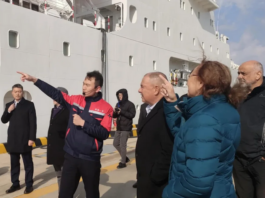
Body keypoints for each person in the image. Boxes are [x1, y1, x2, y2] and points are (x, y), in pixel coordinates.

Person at [160, 60, 250, 198]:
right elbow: (188, 138)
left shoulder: (205, 119)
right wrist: (172, 103)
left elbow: (197, 181)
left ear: (201, 83)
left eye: (191, 75)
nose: (188, 80)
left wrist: (168, 193)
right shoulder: (226, 110)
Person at [17, 71, 113, 198]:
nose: (84, 87)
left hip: (90, 159)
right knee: (64, 194)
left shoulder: (106, 108)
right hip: (70, 157)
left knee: (92, 193)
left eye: (88, 85)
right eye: (83, 83)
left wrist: (83, 123)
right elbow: (55, 93)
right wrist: (34, 80)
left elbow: (104, 133)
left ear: (98, 88)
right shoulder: (75, 100)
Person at [136, 72, 174, 198]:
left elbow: (169, 148)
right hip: (144, 179)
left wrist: (155, 176)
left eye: (142, 86)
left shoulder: (167, 112)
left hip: (157, 184)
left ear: (156, 89)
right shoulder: (144, 109)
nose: (139, 90)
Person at [233, 61, 265, 198]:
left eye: (243, 73)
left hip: (260, 160)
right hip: (239, 159)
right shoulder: (237, 94)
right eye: (238, 73)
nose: (239, 77)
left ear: (258, 74)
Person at [1, 84, 37, 194]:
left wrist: (31, 138)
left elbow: (33, 123)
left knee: (28, 164)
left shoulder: (29, 105)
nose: (18, 93)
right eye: (15, 91)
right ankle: (15, 184)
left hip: (25, 139)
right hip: (13, 139)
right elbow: (3, 120)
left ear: (22, 92)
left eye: (20, 91)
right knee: (14, 164)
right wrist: (9, 111)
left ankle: (29, 184)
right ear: (12, 93)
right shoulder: (9, 105)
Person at [47, 87, 69, 192]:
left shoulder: (68, 111)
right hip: (54, 147)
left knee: (65, 176)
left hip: (64, 148)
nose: (53, 97)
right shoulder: (53, 110)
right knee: (59, 175)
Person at [113, 89, 136, 168]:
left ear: (124, 95)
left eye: (121, 95)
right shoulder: (118, 104)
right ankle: (125, 157)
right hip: (119, 127)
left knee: (123, 145)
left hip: (126, 127)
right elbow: (115, 116)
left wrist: (121, 111)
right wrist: (115, 112)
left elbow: (132, 115)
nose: (119, 97)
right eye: (118, 95)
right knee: (115, 143)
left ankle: (123, 162)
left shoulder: (130, 104)